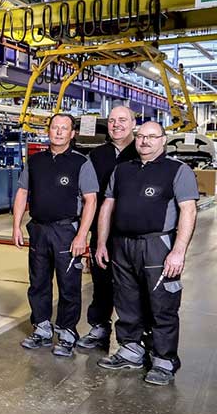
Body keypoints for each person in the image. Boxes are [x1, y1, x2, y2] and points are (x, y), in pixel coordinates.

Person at [94, 121, 198, 386]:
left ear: (163, 140)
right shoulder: (122, 170)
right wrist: (102, 243)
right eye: (141, 136)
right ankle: (131, 349)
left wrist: (178, 251)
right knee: (126, 299)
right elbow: (107, 207)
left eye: (152, 137)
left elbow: (188, 210)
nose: (145, 141)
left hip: (157, 245)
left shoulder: (178, 170)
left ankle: (164, 359)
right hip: (122, 245)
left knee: (162, 303)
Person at [12, 113, 98, 357]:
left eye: (64, 129)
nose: (59, 132)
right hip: (39, 229)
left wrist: (82, 236)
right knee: (38, 282)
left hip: (66, 231)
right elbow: (22, 192)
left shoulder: (81, 163)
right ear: (48, 131)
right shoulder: (35, 161)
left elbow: (91, 201)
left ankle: (67, 332)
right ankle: (41, 328)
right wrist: (17, 225)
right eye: (55, 128)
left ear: (72, 134)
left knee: (68, 284)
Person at [77, 106, 139, 350]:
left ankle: (134, 337)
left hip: (133, 232)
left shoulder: (143, 150)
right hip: (102, 231)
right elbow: (87, 195)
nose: (116, 125)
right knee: (101, 281)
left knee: (132, 286)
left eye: (122, 120)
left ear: (133, 122)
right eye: (112, 121)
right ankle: (99, 328)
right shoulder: (97, 155)